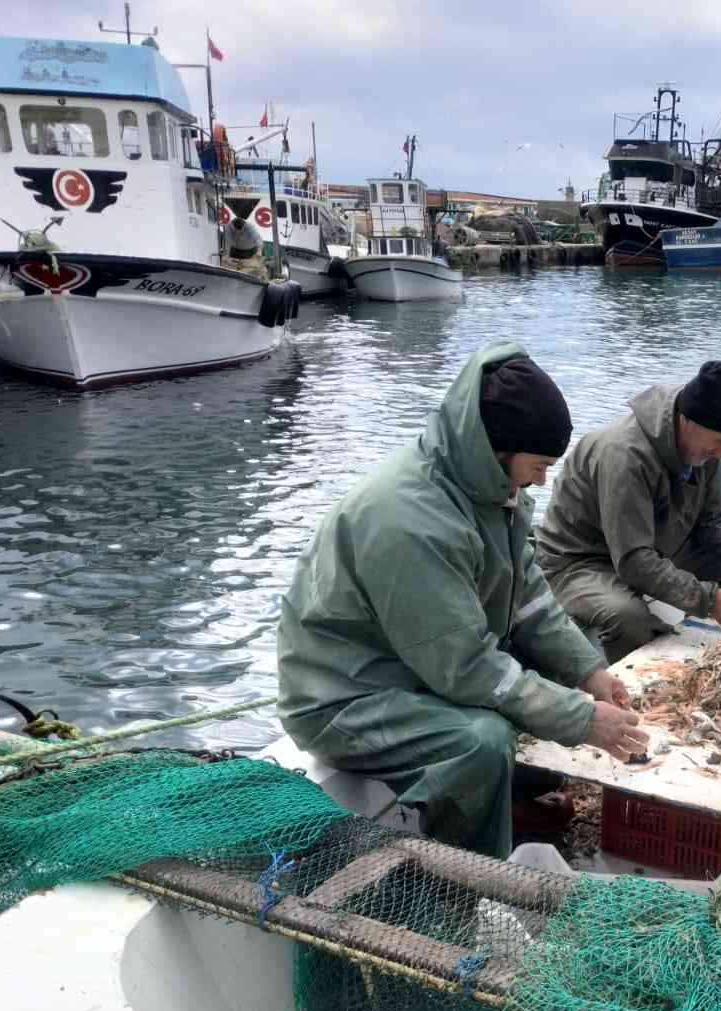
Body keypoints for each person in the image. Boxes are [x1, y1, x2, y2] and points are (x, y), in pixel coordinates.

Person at [278, 342, 648, 859]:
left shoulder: (489, 492)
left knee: (551, 679)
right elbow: (468, 670)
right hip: (344, 695)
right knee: (482, 738)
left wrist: (590, 673)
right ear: (496, 449)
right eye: (539, 466)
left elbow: (530, 600)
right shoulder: (409, 521)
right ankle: (466, 876)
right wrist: (583, 720)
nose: (543, 480)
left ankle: (508, 805)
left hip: (414, 665)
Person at [536, 360, 721, 664]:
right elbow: (634, 562)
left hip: (651, 548)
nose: (720, 453)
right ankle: (637, 690)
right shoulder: (624, 455)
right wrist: (709, 601)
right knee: (628, 616)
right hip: (580, 561)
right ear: (687, 421)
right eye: (719, 441)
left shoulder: (703, 448)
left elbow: (710, 521)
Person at [223, 215, 269, 280]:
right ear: (232, 227)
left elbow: (258, 239)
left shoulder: (250, 227)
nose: (238, 233)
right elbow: (227, 242)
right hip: (235, 250)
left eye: (241, 231)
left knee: (254, 269)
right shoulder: (228, 227)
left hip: (250, 250)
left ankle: (254, 280)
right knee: (234, 269)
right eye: (236, 231)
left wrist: (259, 250)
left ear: (244, 226)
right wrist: (226, 255)